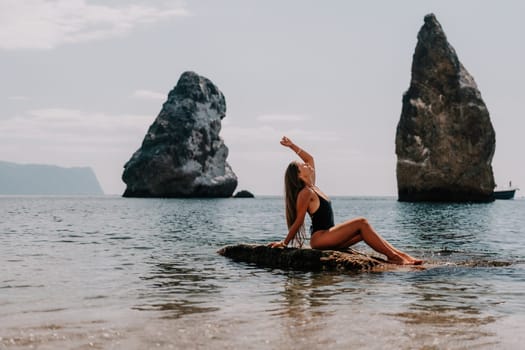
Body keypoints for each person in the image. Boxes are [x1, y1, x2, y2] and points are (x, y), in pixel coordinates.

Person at [268, 136, 422, 265]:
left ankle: (402, 256)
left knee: (362, 233)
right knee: (362, 222)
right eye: (303, 166)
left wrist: (291, 145)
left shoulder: (313, 186)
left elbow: (310, 158)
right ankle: (394, 257)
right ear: (299, 176)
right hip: (320, 238)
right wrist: (284, 243)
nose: (307, 164)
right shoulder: (305, 193)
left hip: (328, 235)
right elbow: (299, 221)